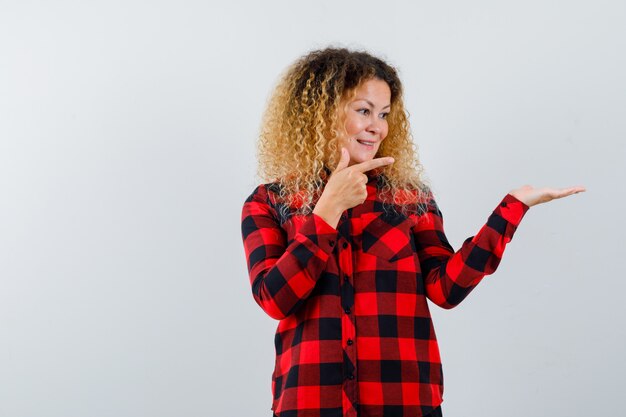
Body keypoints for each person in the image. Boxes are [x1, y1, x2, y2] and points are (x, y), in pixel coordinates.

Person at [240, 47, 585, 417]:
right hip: (310, 402)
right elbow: (274, 300)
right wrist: (328, 210)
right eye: (363, 111)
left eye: (384, 114)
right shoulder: (268, 203)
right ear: (321, 114)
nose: (377, 126)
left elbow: (446, 288)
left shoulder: (408, 198)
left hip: (404, 402)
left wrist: (511, 209)